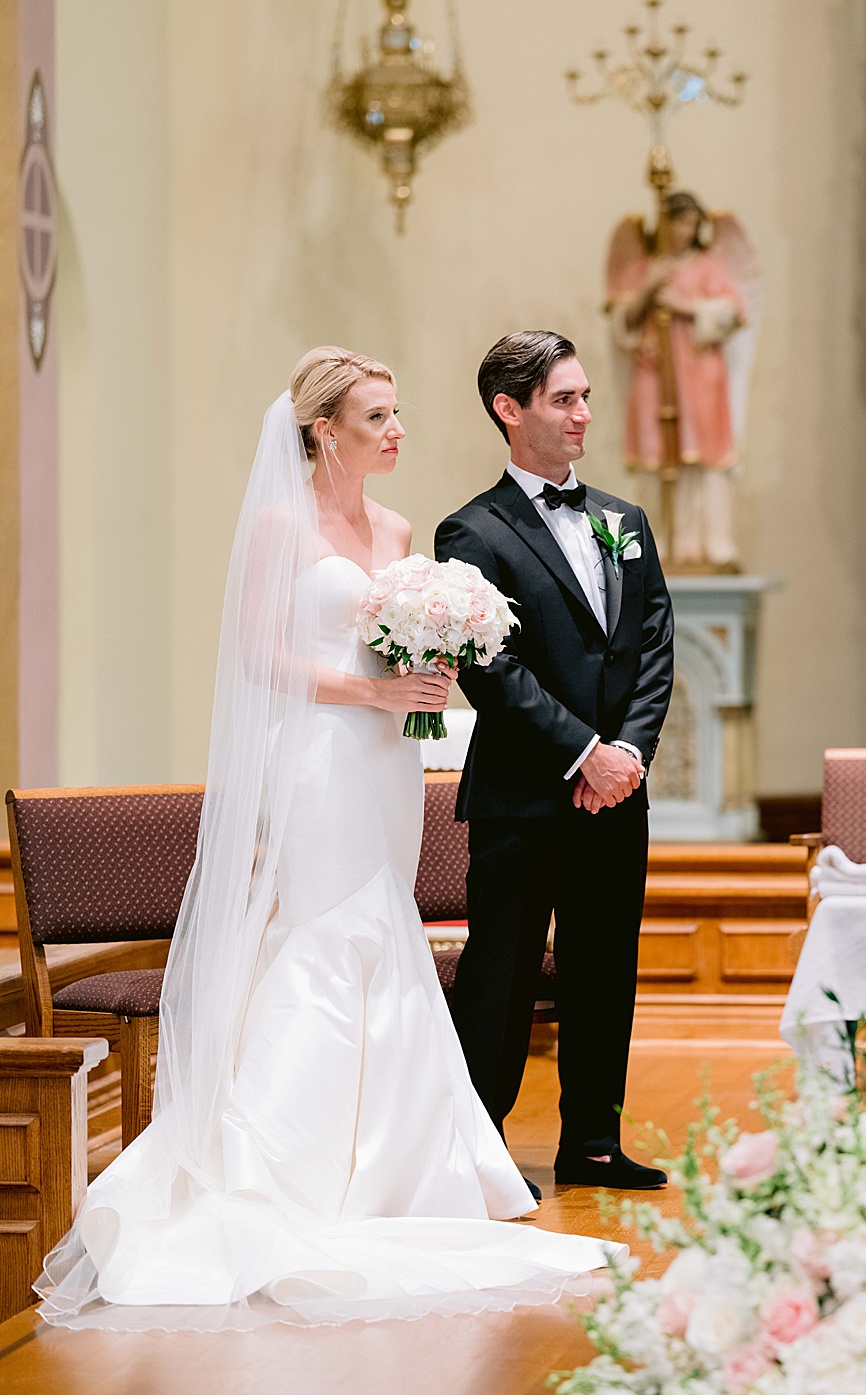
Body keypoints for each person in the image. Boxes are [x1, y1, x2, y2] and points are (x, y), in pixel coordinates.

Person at [37, 347, 613, 1329]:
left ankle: (398, 1170)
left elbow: (409, 640)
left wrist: (429, 674)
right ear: (321, 429)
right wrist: (372, 690)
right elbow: (259, 656)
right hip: (318, 764)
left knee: (383, 934)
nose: (396, 432)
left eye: (396, 414)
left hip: (386, 764)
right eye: (376, 417)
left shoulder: (395, 527)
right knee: (326, 937)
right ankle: (286, 1168)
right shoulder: (280, 524)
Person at [436, 332, 674, 1191]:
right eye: (562, 398)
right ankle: (479, 1149)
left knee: (605, 967)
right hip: (525, 794)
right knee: (500, 974)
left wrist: (628, 755)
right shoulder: (472, 530)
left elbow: (655, 647)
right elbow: (489, 668)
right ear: (510, 407)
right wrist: (581, 753)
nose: (583, 413)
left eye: (583, 396)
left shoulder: (624, 521)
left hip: (618, 794)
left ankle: (595, 1142)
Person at [605, 192, 757, 570]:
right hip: (654, 374)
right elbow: (622, 323)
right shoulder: (646, 267)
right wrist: (648, 290)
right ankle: (657, 543)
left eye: (694, 223)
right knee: (657, 457)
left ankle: (702, 544)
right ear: (666, 222)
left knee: (700, 456)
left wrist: (684, 305)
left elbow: (732, 313)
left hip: (698, 375)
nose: (687, 230)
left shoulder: (708, 267)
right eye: (680, 221)